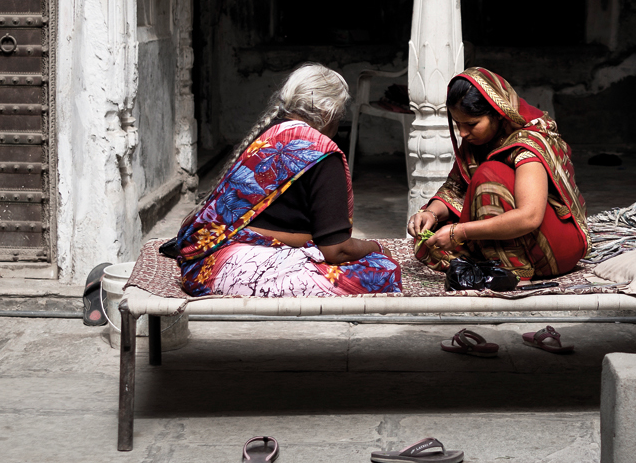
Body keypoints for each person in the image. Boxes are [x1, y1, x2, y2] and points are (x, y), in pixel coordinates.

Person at [168, 63, 399, 298]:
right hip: (232, 269)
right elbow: (336, 250)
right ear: (327, 113)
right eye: (339, 114)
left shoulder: (268, 134)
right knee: (383, 271)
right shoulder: (322, 153)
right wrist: (375, 247)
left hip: (201, 264)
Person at [407, 68, 588, 281]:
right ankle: (495, 262)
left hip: (553, 248)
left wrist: (460, 232)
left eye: (471, 124)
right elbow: (456, 188)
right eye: (457, 125)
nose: (463, 133)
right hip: (519, 237)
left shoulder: (528, 145)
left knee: (488, 174)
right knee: (431, 240)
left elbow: (529, 217)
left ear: (497, 113)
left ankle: (512, 274)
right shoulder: (475, 143)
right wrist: (431, 214)